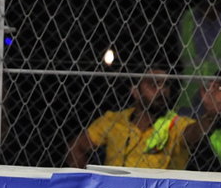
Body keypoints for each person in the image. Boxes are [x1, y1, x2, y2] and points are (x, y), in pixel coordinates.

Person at [66, 68, 199, 170]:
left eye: (166, 85)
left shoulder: (175, 122)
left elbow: (194, 133)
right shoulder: (115, 120)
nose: (161, 90)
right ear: (135, 91)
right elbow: (77, 147)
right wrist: (86, 183)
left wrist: (210, 114)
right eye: (154, 84)